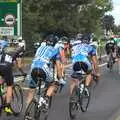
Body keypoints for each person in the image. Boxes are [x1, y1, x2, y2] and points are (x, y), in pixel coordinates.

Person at [26, 34, 66, 109]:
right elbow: (58, 66)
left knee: (31, 91)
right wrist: (60, 79)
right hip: (43, 68)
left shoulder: (39, 48)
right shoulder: (55, 50)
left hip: (33, 68)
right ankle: (45, 99)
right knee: (53, 84)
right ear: (55, 43)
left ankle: (27, 111)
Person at [0, 45, 25, 115]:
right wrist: (23, 72)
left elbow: (12, 63)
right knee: (9, 85)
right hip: (6, 67)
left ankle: (2, 94)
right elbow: (19, 66)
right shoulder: (19, 51)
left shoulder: (6, 48)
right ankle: (7, 105)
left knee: (3, 78)